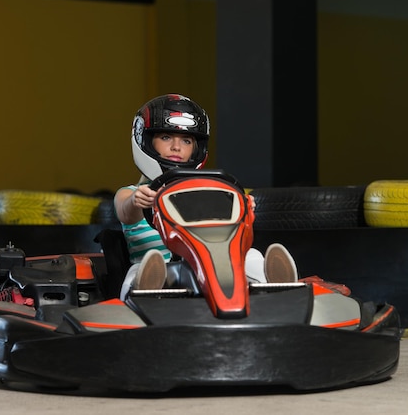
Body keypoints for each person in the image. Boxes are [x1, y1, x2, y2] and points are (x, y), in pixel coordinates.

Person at [114, 94, 297, 300]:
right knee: (136, 273)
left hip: (205, 268)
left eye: (186, 140)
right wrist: (137, 201)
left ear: (196, 148)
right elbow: (125, 212)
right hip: (160, 270)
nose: (177, 147)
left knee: (252, 256)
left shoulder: (206, 191)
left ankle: (276, 287)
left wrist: (242, 208)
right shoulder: (131, 193)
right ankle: (146, 292)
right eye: (166, 137)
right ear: (146, 141)